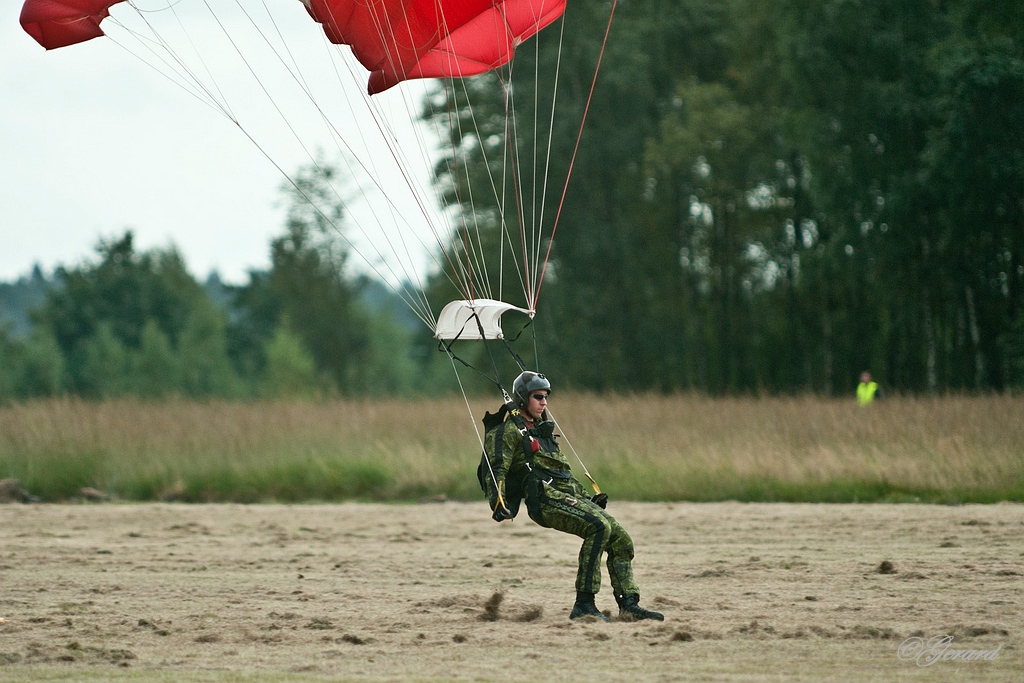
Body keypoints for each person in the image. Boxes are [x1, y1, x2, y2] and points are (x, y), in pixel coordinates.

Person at [482, 371, 663, 622]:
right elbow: (496, 469)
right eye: (538, 397)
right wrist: (498, 501)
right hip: (543, 499)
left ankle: (629, 604)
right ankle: (584, 604)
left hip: (564, 494)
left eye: (546, 397)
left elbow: (562, 473)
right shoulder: (508, 431)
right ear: (523, 398)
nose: (544, 402)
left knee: (621, 539)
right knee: (598, 527)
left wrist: (587, 499)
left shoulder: (543, 432)